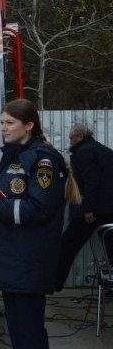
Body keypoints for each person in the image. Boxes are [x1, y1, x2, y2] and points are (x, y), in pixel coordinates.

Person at [0, 98, 67, 349]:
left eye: (10, 122)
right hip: (12, 260)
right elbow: (11, 199)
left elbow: (39, 209)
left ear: (29, 125)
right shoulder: (15, 156)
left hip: (27, 260)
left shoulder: (43, 161)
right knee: (17, 330)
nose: (3, 127)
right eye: (2, 122)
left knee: (30, 331)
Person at [54, 122, 113, 291]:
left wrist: (88, 209)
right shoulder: (101, 149)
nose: (70, 142)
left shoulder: (84, 151)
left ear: (79, 136)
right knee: (111, 247)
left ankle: (54, 283)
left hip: (95, 208)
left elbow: (91, 182)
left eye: (72, 138)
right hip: (108, 208)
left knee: (67, 244)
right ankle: (109, 286)